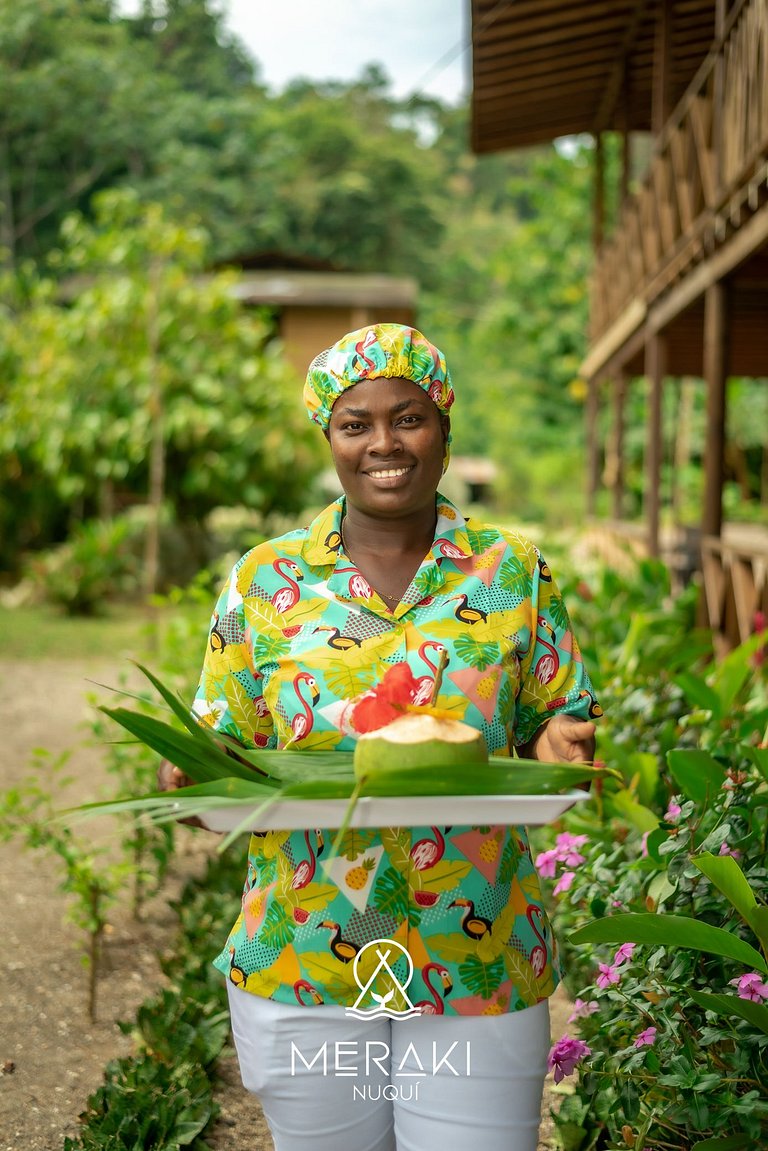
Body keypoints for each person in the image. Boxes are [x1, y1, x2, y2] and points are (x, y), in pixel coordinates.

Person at [161, 322, 599, 1151]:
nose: (383, 443)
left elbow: (556, 720)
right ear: (328, 435)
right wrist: (192, 777)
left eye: (408, 417)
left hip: (478, 950)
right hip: (304, 955)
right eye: (355, 423)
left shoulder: (512, 571)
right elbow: (226, 746)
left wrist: (560, 750)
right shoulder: (265, 581)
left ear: (444, 424)